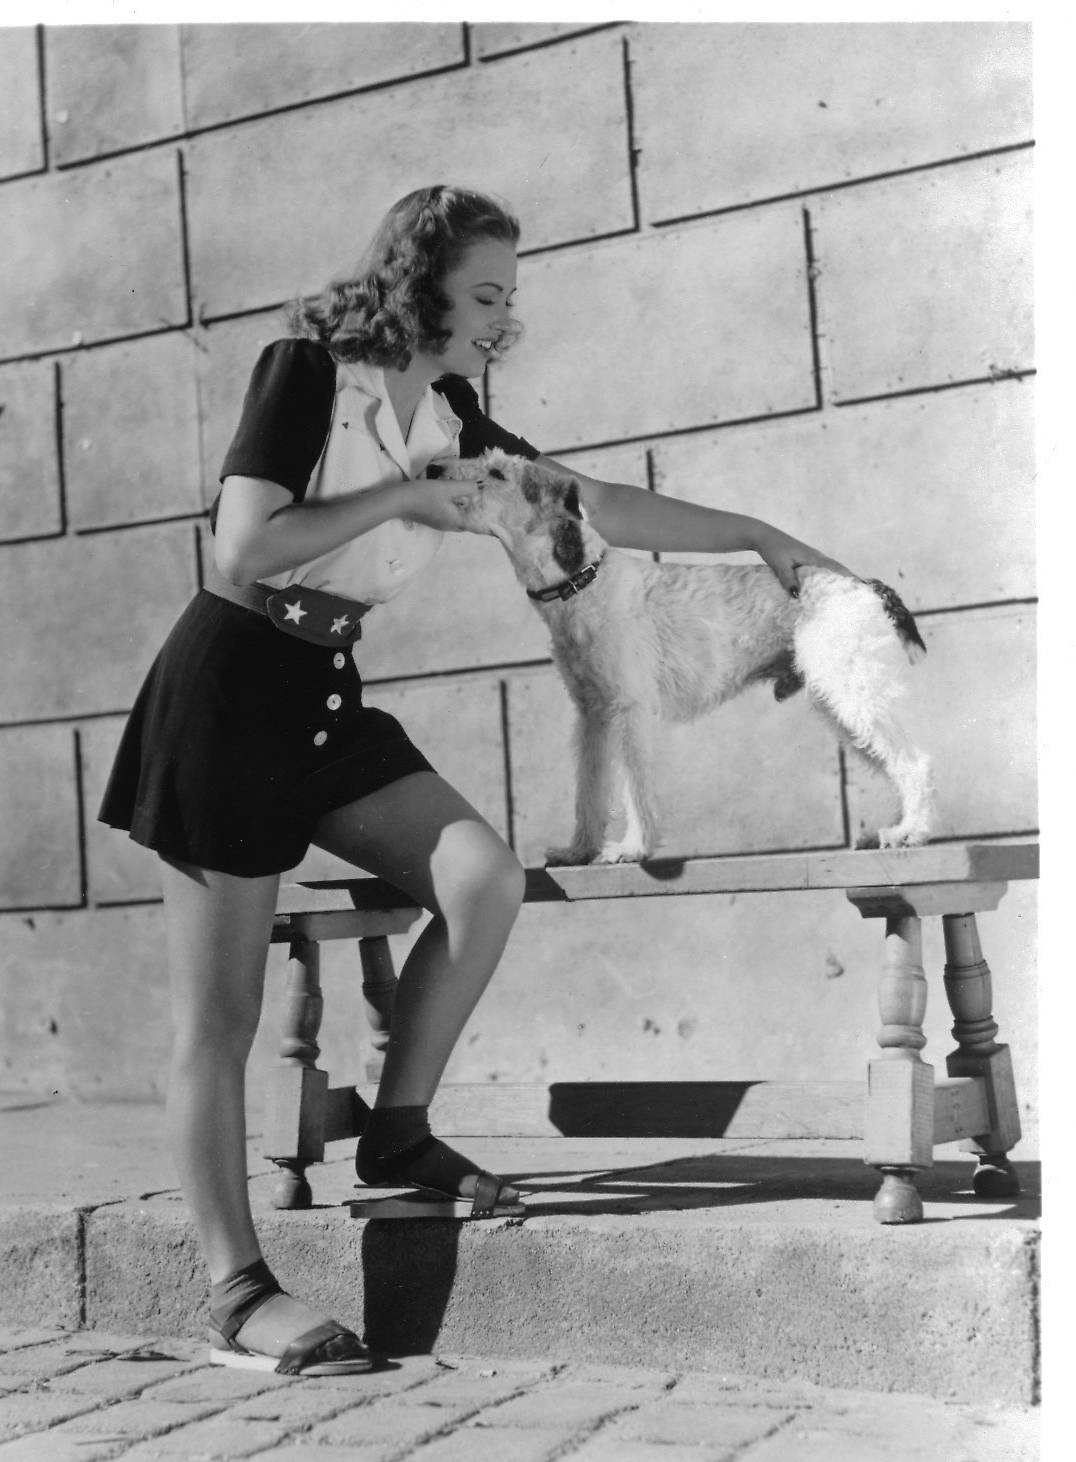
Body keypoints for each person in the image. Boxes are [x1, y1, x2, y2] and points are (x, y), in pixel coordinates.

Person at [98, 184, 850, 1375]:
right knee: (220, 1020)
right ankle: (235, 1289)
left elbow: (591, 503)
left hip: (324, 697)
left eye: (509, 296)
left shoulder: (451, 411)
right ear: (420, 283)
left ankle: (397, 1137)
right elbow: (242, 545)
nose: (504, 317)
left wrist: (763, 534)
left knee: (484, 881)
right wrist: (403, 496)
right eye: (486, 293)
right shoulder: (307, 372)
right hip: (229, 692)